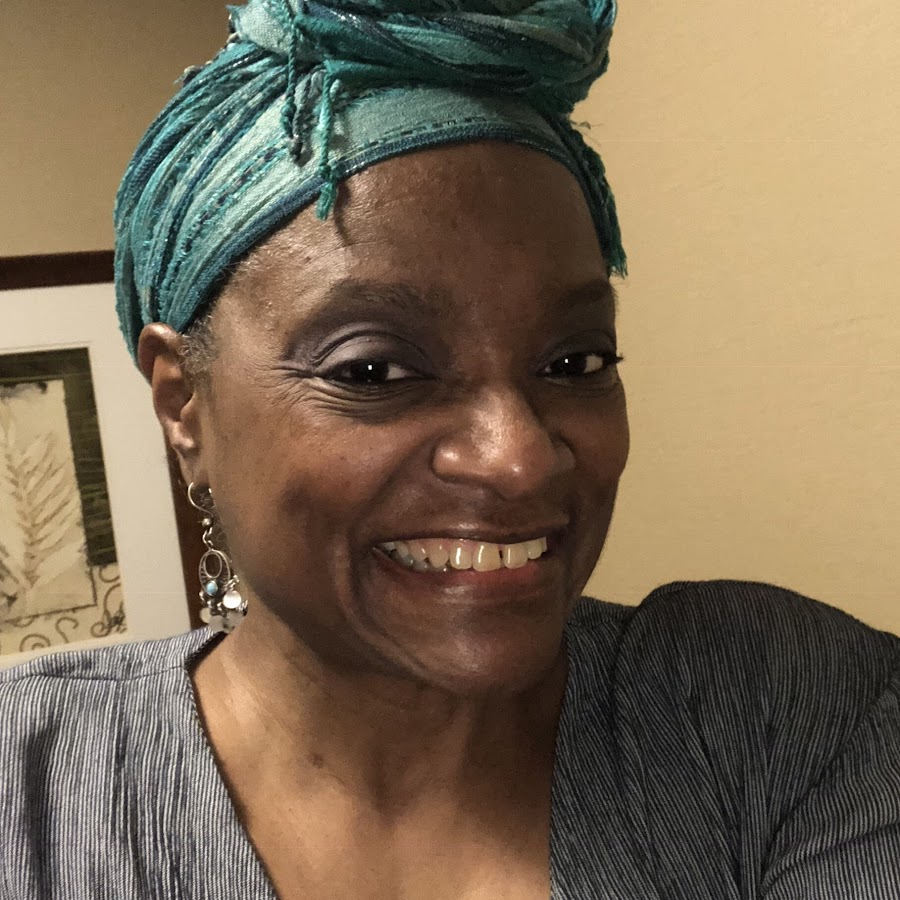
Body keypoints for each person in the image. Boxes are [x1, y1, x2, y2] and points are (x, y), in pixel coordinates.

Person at [1, 1, 898, 898]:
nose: (519, 458)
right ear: (183, 404)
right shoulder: (27, 792)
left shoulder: (785, 711)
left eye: (575, 361)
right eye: (375, 370)